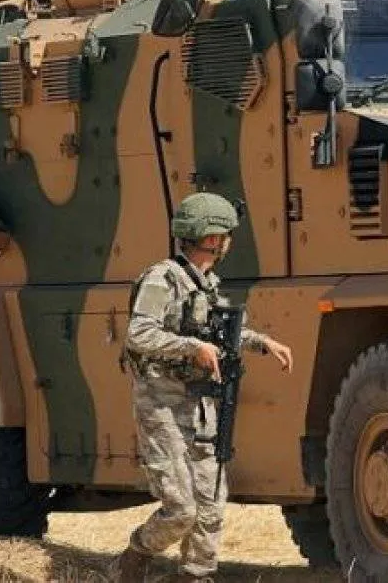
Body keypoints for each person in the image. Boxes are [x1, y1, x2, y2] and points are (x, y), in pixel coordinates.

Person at [113, 193, 293, 583]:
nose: (228, 241)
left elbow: (217, 335)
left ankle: (197, 575)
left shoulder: (206, 283)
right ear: (211, 238)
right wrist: (191, 348)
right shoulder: (162, 278)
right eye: (225, 234)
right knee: (181, 510)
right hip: (161, 403)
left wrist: (262, 342)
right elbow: (138, 333)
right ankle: (134, 555)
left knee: (211, 503)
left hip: (199, 403)